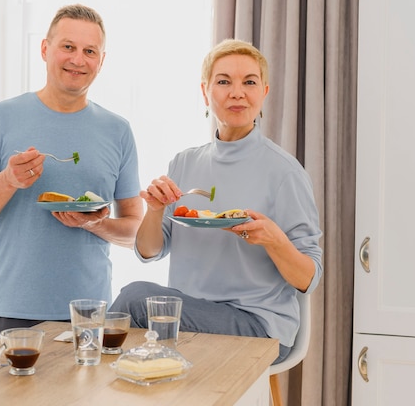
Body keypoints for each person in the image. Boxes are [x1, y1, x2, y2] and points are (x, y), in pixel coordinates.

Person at [109, 38, 323, 364]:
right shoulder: (184, 163)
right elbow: (150, 250)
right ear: (205, 91)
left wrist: (273, 239)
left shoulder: (284, 172)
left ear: (263, 93)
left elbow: (309, 278)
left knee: (135, 298)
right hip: (190, 314)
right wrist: (154, 210)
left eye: (249, 82)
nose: (237, 92)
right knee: (139, 311)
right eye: (224, 81)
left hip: (257, 325)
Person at [0, 4, 143, 344]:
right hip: (11, 309)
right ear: (45, 49)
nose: (78, 59)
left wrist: (95, 223)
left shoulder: (118, 131)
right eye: (68, 47)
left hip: (88, 314)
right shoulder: (1, 118)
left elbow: (136, 233)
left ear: (101, 60)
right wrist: (7, 181)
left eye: (89, 51)